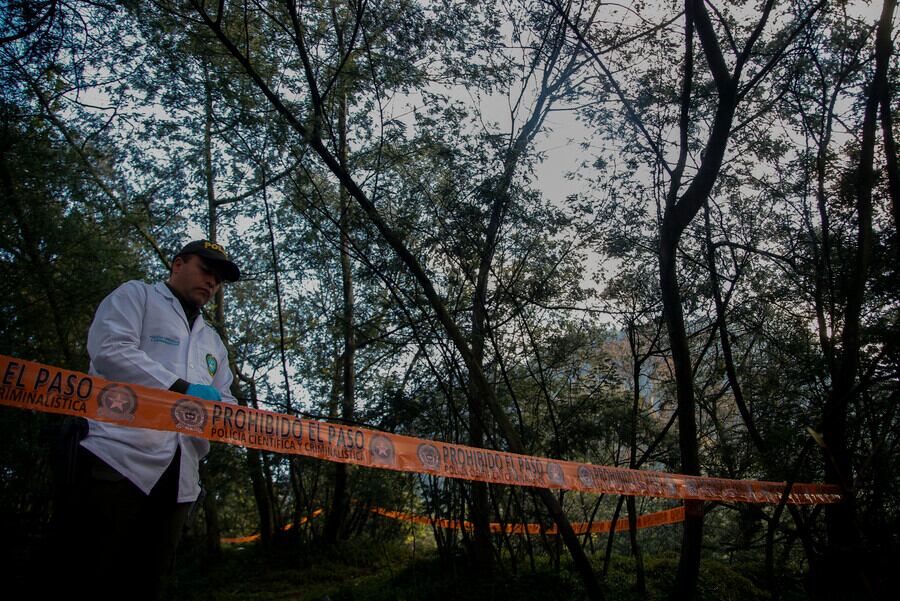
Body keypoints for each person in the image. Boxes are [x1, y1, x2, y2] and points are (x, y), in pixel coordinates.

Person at [52, 239, 241, 601]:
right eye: (206, 271)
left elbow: (225, 397)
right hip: (117, 457)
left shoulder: (212, 342)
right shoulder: (137, 296)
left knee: (147, 581)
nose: (212, 283)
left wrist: (231, 415)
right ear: (177, 264)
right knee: (86, 571)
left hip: (181, 475)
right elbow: (110, 350)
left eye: (218, 280)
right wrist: (181, 388)